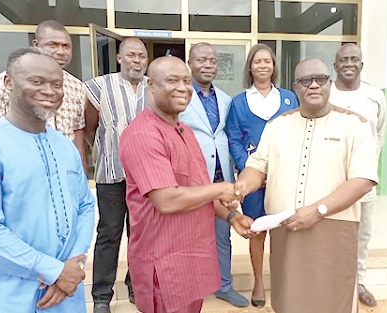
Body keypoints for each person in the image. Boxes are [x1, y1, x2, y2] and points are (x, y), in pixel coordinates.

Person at [0, 47, 95, 312]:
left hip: (67, 295)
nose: (50, 91)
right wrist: (53, 271)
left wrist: (74, 264)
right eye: (37, 82)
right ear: (9, 83)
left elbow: (85, 205)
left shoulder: (64, 147)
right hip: (11, 296)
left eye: (57, 84)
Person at [234, 58, 378, 313]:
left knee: (332, 301)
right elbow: (257, 166)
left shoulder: (356, 124)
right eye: (305, 81)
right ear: (295, 88)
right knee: (289, 299)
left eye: (320, 79)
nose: (313, 85)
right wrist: (240, 189)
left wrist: (318, 210)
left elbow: (362, 180)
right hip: (285, 229)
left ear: (329, 84)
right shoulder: (277, 125)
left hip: (334, 228)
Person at [119, 56, 255, 313]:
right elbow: (167, 200)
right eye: (172, 81)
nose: (183, 88)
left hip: (192, 258)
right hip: (163, 263)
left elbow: (197, 190)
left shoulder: (184, 130)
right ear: (151, 85)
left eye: (186, 81)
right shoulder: (143, 134)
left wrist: (232, 215)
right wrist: (223, 188)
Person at [225, 43, 299, 307]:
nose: (263, 66)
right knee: (257, 230)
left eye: (268, 61)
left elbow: (299, 133)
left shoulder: (290, 98)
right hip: (253, 181)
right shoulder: (239, 102)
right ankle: (258, 281)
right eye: (257, 61)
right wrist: (253, 170)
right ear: (250, 67)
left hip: (285, 178)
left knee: (284, 229)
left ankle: (283, 280)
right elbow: (234, 139)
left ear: (274, 66)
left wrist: (280, 170)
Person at [179, 43, 248, 307]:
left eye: (212, 60)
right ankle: (190, 286)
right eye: (201, 60)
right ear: (190, 63)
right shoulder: (181, 95)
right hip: (192, 179)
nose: (208, 65)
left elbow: (227, 137)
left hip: (221, 178)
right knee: (190, 235)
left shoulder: (225, 99)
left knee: (222, 233)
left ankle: (224, 285)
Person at [84, 37, 148, 313]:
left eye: (142, 56)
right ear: (120, 58)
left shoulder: (154, 86)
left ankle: (136, 284)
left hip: (145, 178)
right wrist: (104, 152)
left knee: (141, 234)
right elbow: (89, 127)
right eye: (131, 55)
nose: (137, 60)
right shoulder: (100, 85)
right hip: (110, 174)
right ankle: (101, 296)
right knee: (109, 234)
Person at [0, 20, 86, 169]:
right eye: (53, 45)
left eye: (66, 46)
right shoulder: (12, 80)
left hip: (62, 168)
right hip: (20, 166)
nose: (61, 51)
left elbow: (77, 134)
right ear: (36, 45)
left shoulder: (77, 86)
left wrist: (81, 172)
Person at [329, 43, 387, 307]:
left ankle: (359, 281)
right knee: (330, 231)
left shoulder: (375, 96)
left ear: (362, 64)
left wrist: (366, 164)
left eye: (354, 59)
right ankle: (329, 279)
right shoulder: (326, 93)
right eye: (343, 60)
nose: (349, 63)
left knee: (362, 233)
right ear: (335, 65)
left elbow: (380, 133)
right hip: (330, 179)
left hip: (363, 180)